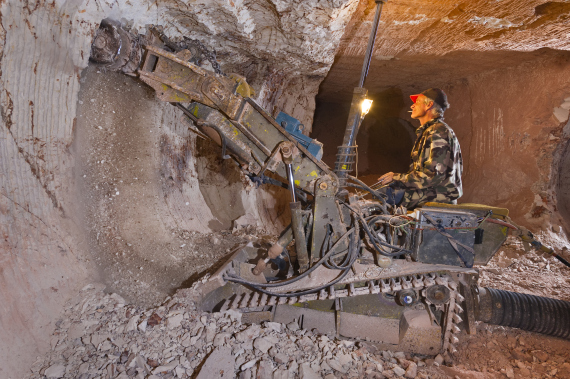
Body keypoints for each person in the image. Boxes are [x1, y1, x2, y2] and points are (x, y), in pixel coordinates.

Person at [376, 88, 463, 210]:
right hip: (429, 195)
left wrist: (396, 177)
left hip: (438, 199)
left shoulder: (437, 131)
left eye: (417, 102)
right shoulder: (429, 131)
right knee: (383, 194)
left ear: (429, 105)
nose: (412, 106)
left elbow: (433, 175)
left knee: (385, 197)